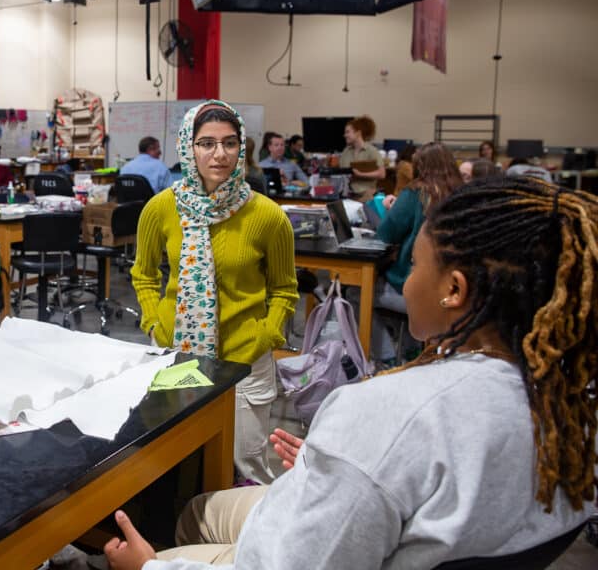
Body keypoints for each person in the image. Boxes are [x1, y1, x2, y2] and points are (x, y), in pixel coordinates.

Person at [106, 176, 598, 569]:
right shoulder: (570, 404)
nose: (405, 287)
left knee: (169, 539)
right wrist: (338, 464)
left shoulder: (383, 412)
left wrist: (151, 566)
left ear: (454, 288)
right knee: (197, 510)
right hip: (385, 523)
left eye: (417, 265)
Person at [132, 100, 299, 486]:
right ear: (187, 147)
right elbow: (143, 275)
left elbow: (284, 289)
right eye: (206, 143)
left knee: (245, 463)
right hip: (179, 356)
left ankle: (243, 542)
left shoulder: (268, 216)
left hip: (245, 359)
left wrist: (267, 335)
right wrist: (155, 321)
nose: (219, 154)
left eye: (229, 143)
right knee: (179, 459)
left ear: (242, 148)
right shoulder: (161, 209)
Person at [373, 142, 461, 363]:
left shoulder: (416, 193)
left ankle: (387, 358)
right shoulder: (462, 194)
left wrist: (390, 210)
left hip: (415, 287)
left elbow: (386, 234)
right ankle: (411, 351)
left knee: (358, 291)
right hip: (453, 291)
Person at [339, 116, 385, 202]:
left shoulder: (372, 151)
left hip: (366, 196)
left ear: (358, 133)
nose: (345, 135)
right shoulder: (346, 151)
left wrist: (360, 174)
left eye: (348, 132)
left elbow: (381, 174)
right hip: (348, 196)